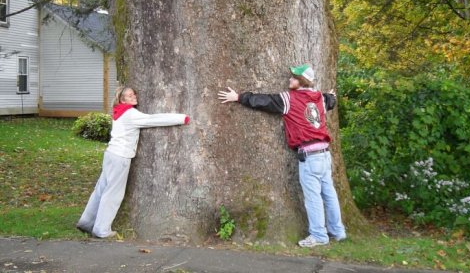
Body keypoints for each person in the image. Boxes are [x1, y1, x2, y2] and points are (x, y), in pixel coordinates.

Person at [217, 64, 346, 247]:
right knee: (329, 193)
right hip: (324, 155)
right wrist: (332, 96)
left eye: (293, 78)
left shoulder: (289, 99)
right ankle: (338, 231)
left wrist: (238, 97)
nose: (289, 80)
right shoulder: (320, 98)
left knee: (313, 197)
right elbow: (330, 100)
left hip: (310, 156)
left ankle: (319, 236)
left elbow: (264, 101)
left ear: (300, 81)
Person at [76, 86, 190, 238]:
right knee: (113, 193)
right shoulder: (130, 114)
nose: (134, 97)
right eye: (129, 96)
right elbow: (154, 120)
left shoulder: (119, 112)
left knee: (101, 189)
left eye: (133, 94)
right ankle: (101, 229)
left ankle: (86, 221)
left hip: (110, 155)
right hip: (120, 157)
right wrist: (181, 118)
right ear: (123, 100)